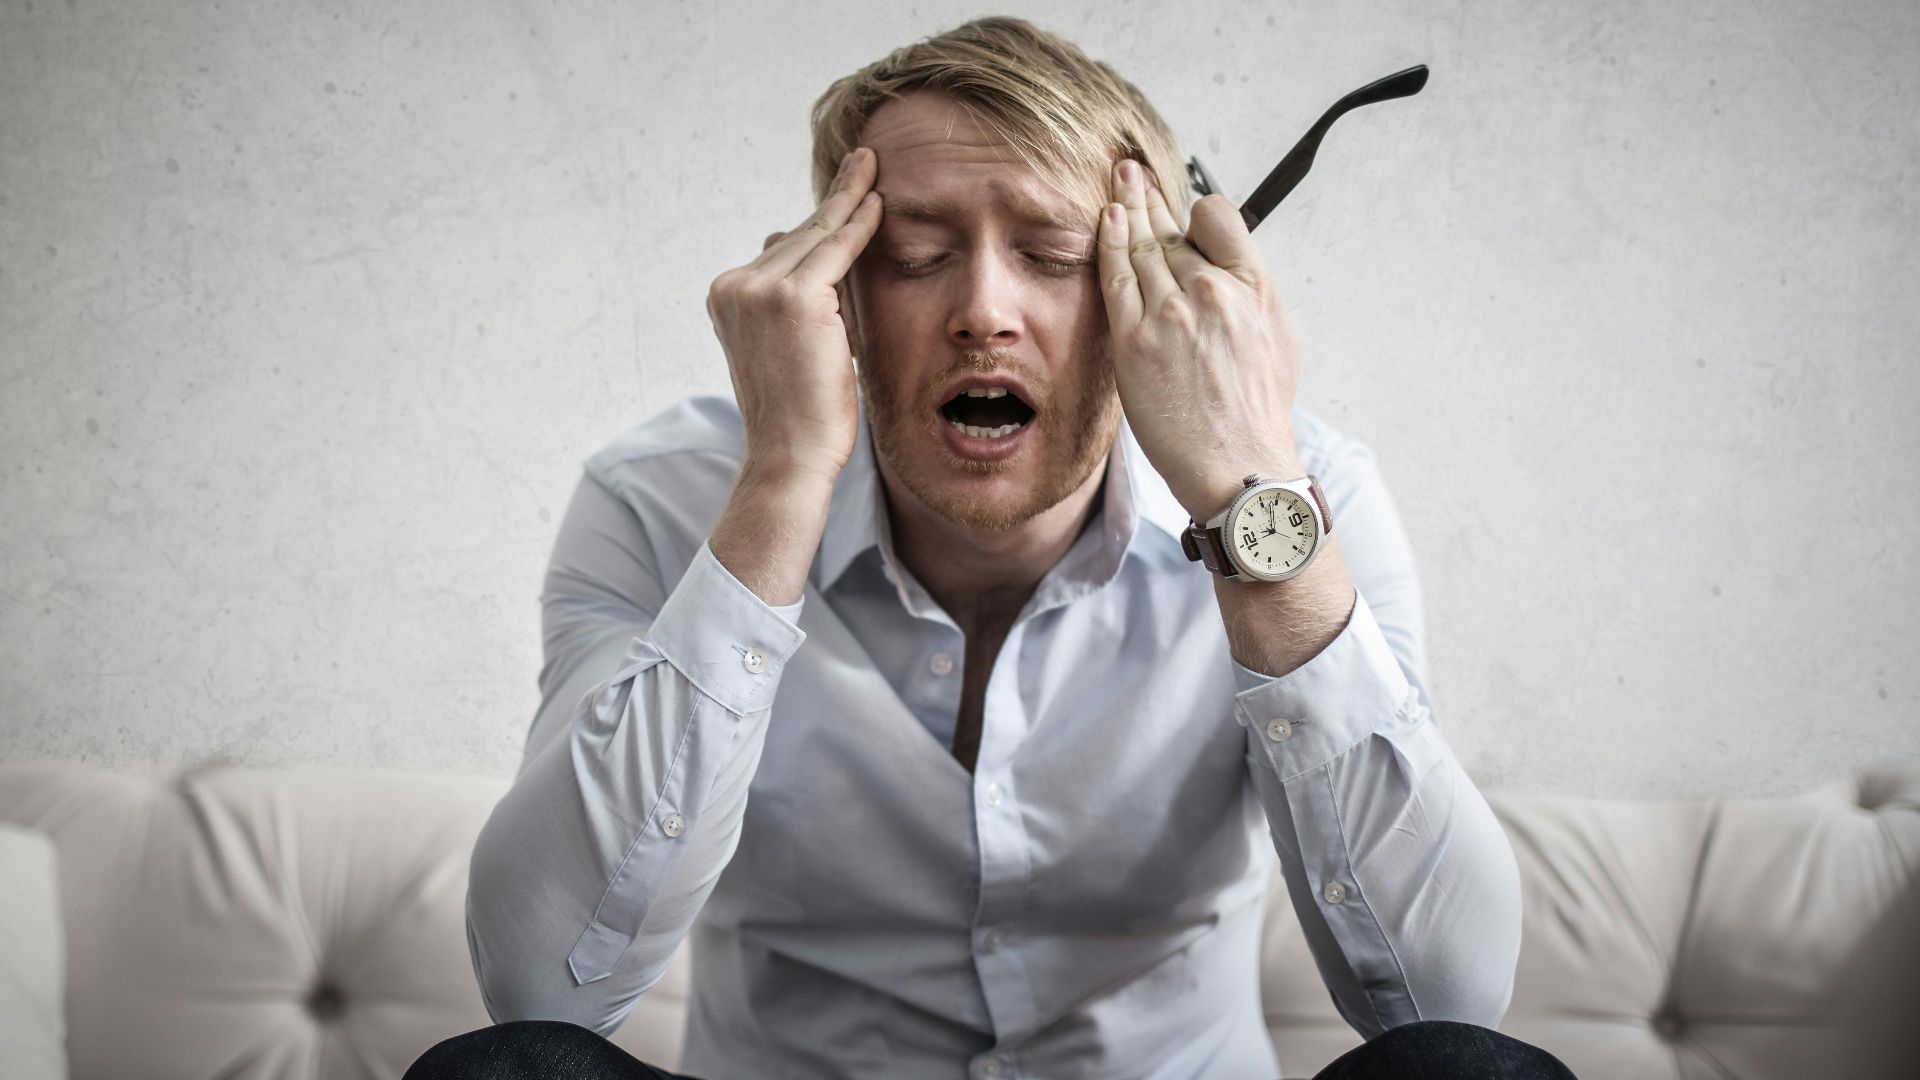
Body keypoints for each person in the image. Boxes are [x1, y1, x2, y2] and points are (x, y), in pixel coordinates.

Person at [415, 16, 1575, 1080]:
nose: (983, 310)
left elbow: (1446, 1004)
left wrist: (1247, 495)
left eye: (1059, 256)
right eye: (915, 254)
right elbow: (540, 990)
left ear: (1159, 301)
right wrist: (777, 487)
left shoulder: (1309, 501)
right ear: (834, 297)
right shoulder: (655, 500)